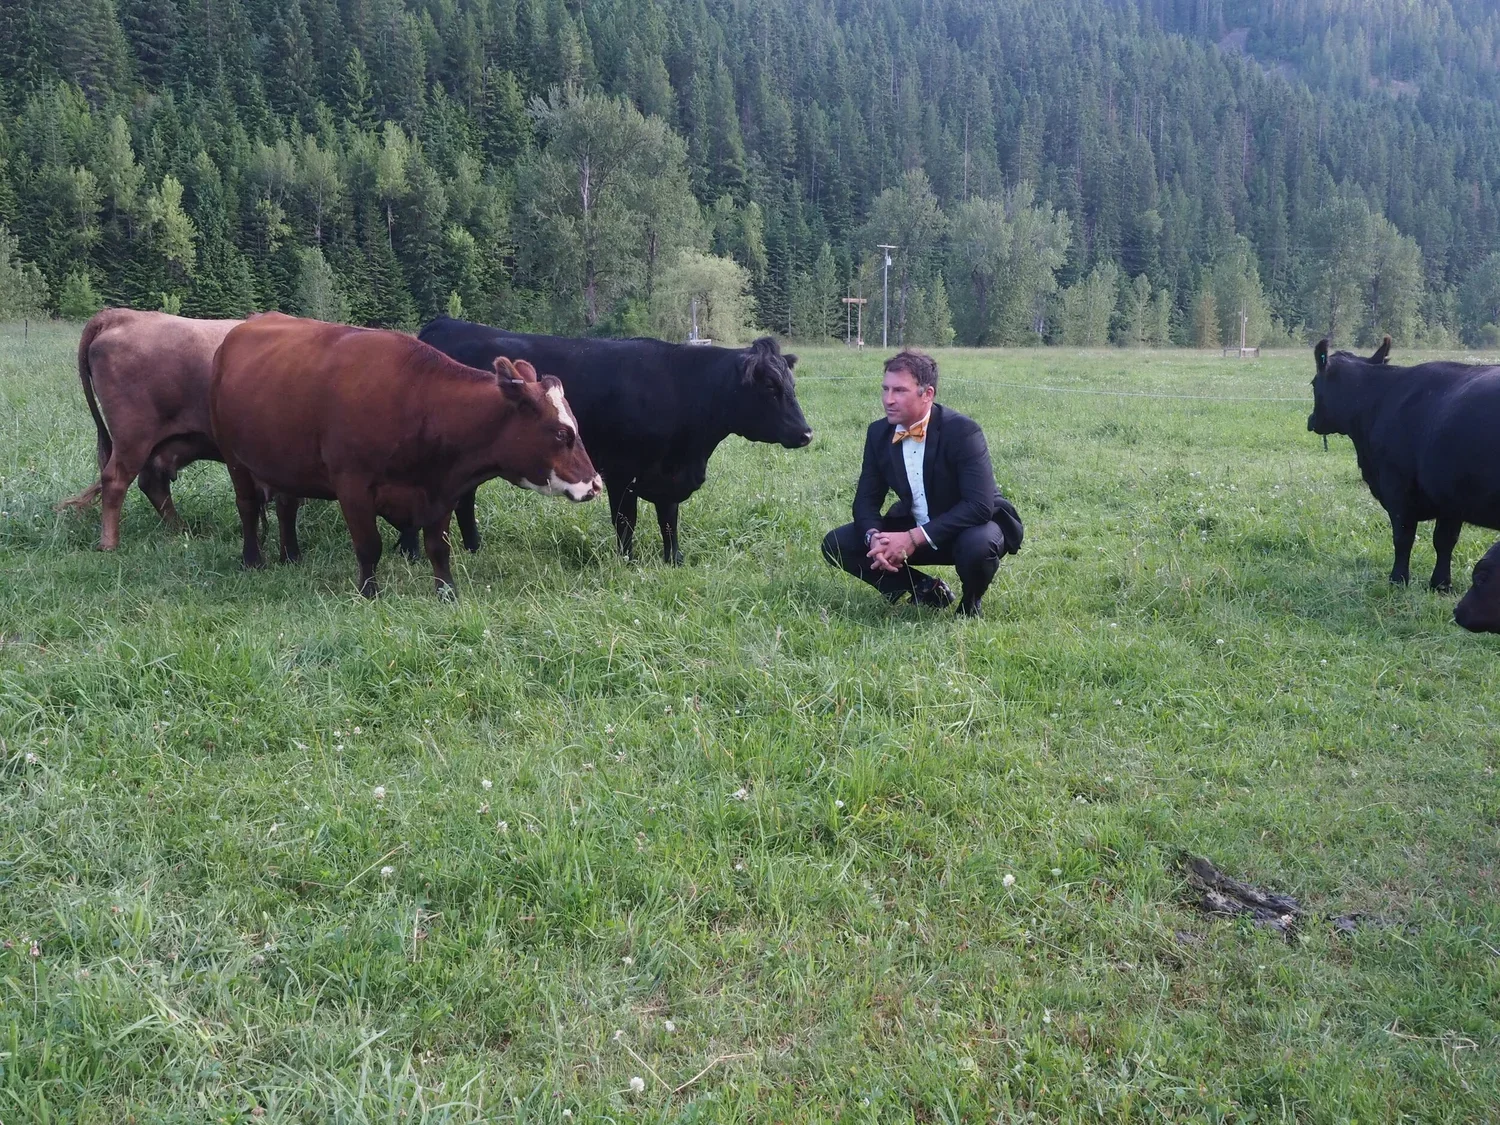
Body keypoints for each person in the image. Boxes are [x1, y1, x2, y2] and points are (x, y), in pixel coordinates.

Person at [821, 348, 1022, 617]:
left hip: (967, 527)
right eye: (885, 389)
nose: (888, 400)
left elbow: (979, 506)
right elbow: (866, 500)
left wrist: (913, 538)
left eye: (899, 391)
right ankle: (925, 589)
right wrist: (874, 539)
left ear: (927, 394)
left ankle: (970, 602)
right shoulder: (878, 433)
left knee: (978, 546)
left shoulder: (963, 431)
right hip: (914, 522)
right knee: (837, 542)